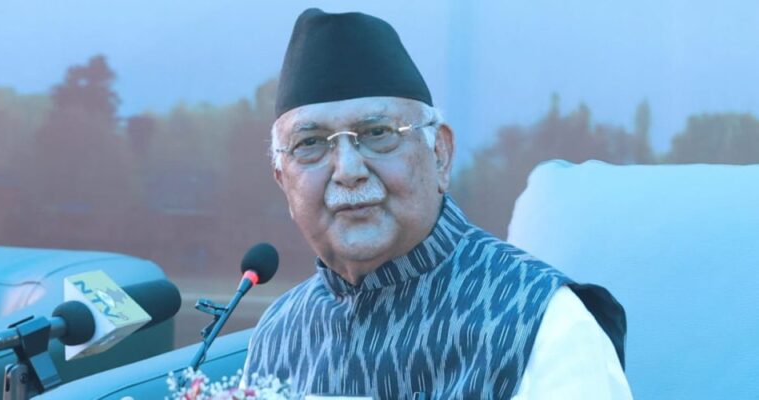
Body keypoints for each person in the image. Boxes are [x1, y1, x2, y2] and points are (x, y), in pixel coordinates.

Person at [244, 8, 632, 399]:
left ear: (440, 154)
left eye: (377, 133)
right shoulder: (279, 334)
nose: (347, 170)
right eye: (310, 143)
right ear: (283, 179)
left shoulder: (540, 320)